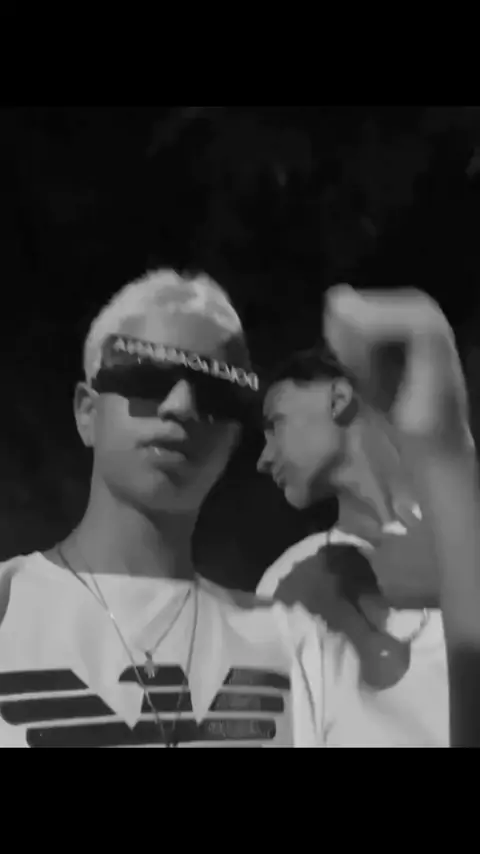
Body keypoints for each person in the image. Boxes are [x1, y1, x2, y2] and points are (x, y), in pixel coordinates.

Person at [0, 269, 327, 749]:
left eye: (216, 391)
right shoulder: (8, 606)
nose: (181, 405)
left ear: (233, 437)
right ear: (87, 412)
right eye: (148, 377)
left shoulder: (292, 641)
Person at [257, 286, 477, 747]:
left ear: (338, 398)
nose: (263, 458)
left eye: (275, 423)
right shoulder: (292, 584)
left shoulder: (463, 531)